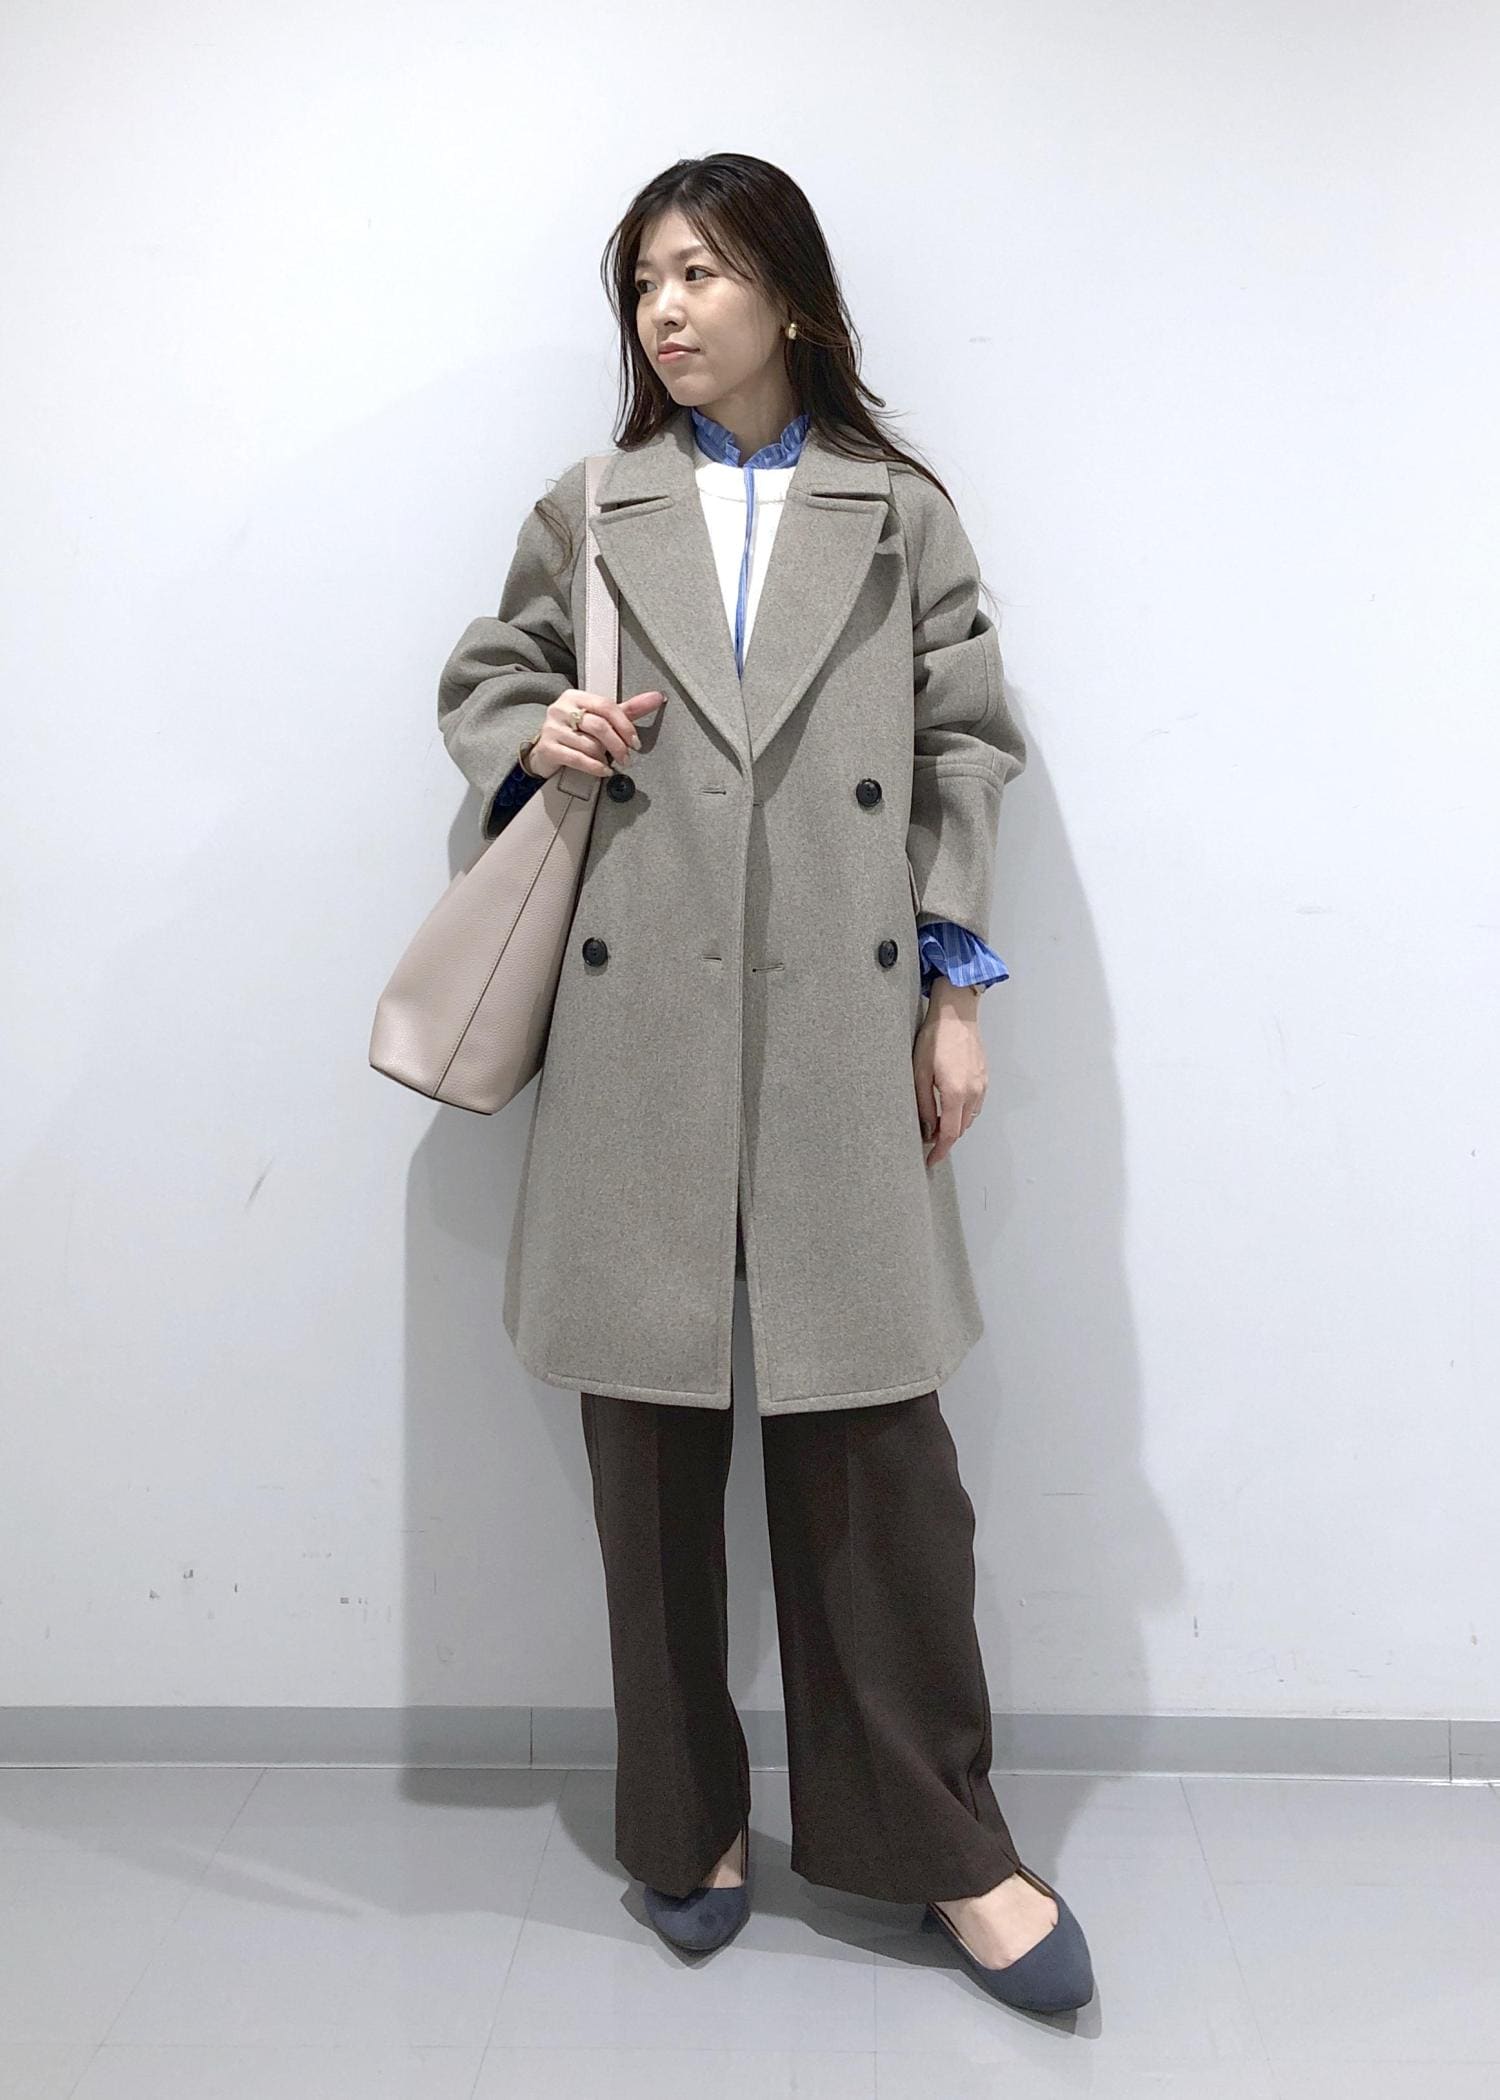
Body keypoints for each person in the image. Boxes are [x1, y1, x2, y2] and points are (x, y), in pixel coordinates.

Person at [436, 154, 1095, 2016]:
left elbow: (965, 747)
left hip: (838, 1019)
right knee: (647, 1447)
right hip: (637, 1015)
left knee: (876, 1449)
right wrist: (541, 730)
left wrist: (953, 994)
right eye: (644, 280)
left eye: (702, 272)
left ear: (790, 296)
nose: (666, 309)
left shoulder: (896, 515)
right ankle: (687, 1824)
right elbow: (487, 675)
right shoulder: (594, 504)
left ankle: (939, 1846)